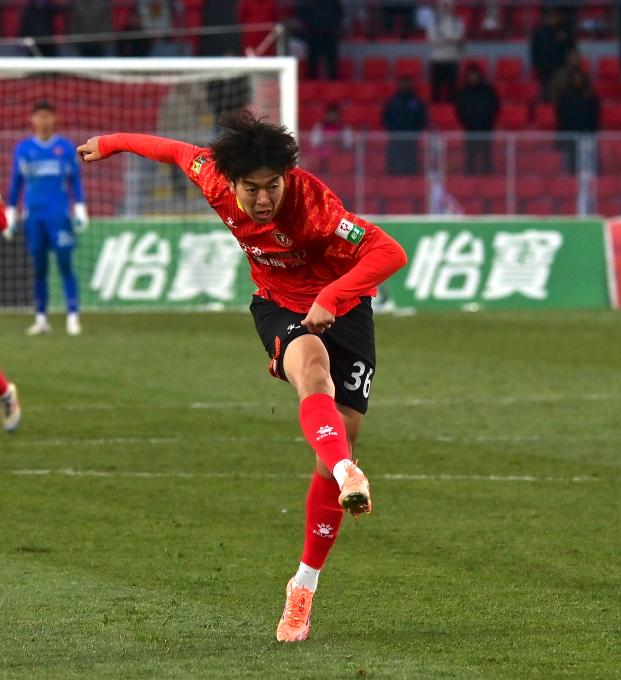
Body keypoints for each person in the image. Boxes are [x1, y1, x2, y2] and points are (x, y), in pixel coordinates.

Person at [76, 109, 408, 643]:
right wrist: (112, 141)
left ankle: (303, 582)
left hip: (344, 308)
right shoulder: (212, 175)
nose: (263, 199)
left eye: (272, 186)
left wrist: (332, 296)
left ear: (286, 178)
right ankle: (348, 470)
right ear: (229, 182)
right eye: (251, 189)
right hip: (278, 306)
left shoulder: (315, 206)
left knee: (338, 439)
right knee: (312, 371)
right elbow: (173, 151)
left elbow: (390, 251)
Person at [5, 102, 88, 337]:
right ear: (32, 120)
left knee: (65, 265)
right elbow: (16, 184)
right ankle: (41, 318)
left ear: (54, 119)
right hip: (33, 217)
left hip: (58, 216)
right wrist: (9, 213)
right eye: (39, 116)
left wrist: (80, 207)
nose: (43, 121)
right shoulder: (23, 150)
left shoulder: (65, 148)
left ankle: (73, 316)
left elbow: (75, 181)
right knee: (39, 269)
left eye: (47, 116)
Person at [454, 62, 500, 175]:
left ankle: (487, 176)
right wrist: (466, 121)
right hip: (470, 129)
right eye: (471, 75)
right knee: (470, 154)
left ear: (479, 75)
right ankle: (470, 176)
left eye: (475, 74)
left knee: (486, 154)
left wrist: (489, 121)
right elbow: (458, 109)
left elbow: (495, 107)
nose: (473, 77)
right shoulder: (463, 92)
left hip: (486, 128)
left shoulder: (488, 91)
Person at [555, 67, 599, 174]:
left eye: (579, 78)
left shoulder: (590, 94)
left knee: (590, 162)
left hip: (587, 134)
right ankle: (571, 180)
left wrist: (592, 130)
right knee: (571, 162)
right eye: (575, 78)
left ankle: (593, 179)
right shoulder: (565, 95)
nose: (577, 80)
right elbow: (560, 114)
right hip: (570, 134)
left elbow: (595, 113)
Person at [382, 76, 428, 175]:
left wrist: (416, 131)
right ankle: (394, 174)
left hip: (411, 137)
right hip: (396, 137)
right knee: (396, 159)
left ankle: (411, 174)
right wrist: (392, 131)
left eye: (407, 83)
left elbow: (422, 118)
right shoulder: (393, 101)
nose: (405, 85)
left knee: (410, 159)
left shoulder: (417, 101)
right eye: (403, 83)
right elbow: (386, 117)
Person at [530, 8, 575, 101]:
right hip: (545, 70)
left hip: (561, 70)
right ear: (545, 18)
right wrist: (538, 66)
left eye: (554, 17)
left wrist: (568, 67)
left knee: (563, 95)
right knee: (546, 95)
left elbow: (571, 49)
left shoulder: (564, 32)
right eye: (549, 17)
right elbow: (534, 52)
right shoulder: (539, 34)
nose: (552, 19)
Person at [426, 0, 466, 103]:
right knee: (436, 90)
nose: (445, 7)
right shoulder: (432, 22)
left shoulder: (458, 21)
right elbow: (432, 40)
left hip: (452, 59)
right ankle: (435, 110)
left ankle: (451, 111)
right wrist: (450, 39)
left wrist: (443, 38)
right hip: (437, 60)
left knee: (452, 90)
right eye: (443, 5)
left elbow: (458, 38)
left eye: (448, 5)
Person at [295, 0, 343, 81]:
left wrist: (333, 26)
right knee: (312, 63)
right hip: (314, 35)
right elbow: (301, 13)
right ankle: (311, 83)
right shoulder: (308, 2)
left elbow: (339, 14)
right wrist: (309, 25)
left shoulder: (333, 2)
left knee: (332, 63)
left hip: (329, 34)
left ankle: (334, 83)